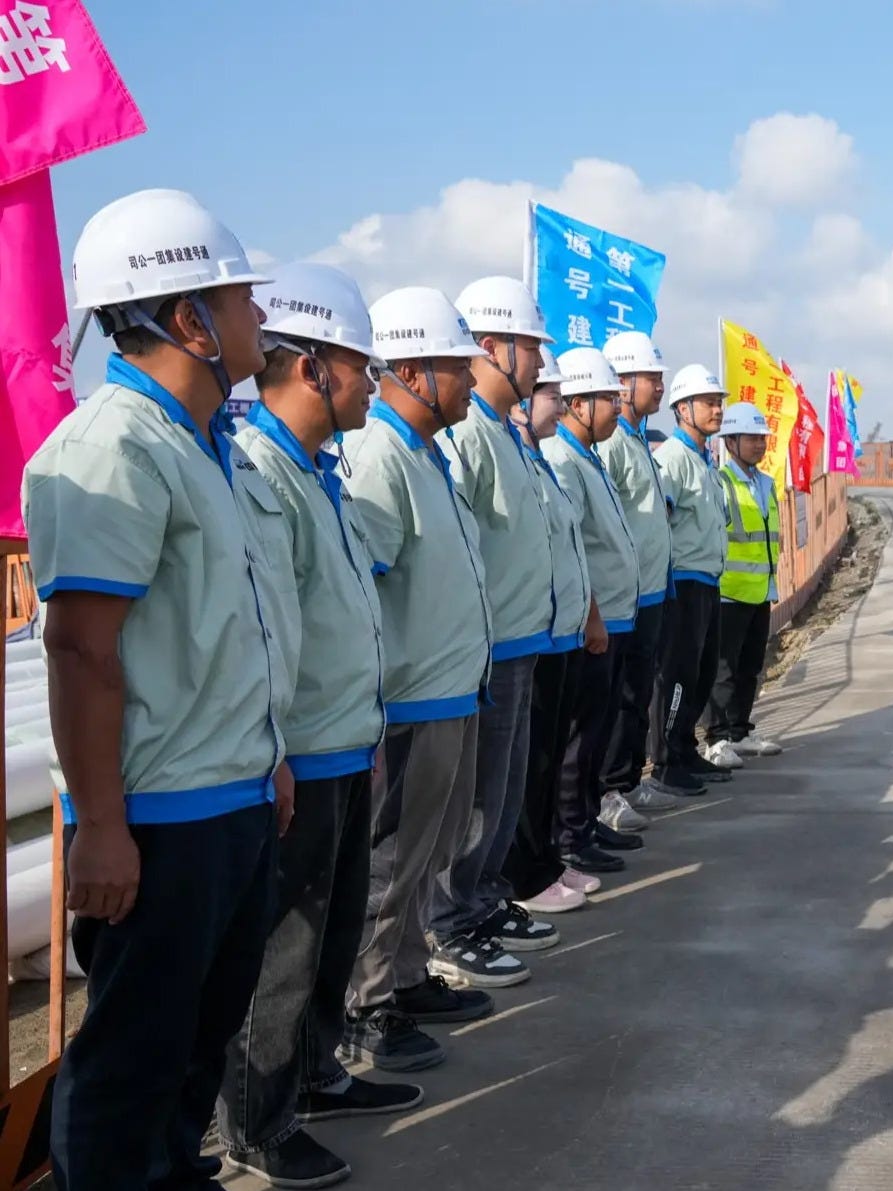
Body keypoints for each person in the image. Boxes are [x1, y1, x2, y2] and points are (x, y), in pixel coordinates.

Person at [26, 188, 287, 1191]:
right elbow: (81, 651)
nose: (257, 316)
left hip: (229, 799)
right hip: (159, 821)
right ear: (188, 320)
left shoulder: (202, 445)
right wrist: (100, 826)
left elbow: (219, 633)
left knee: (190, 1057)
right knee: (128, 1071)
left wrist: (264, 762)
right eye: (239, 299)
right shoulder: (113, 449)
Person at [219, 263, 420, 1188]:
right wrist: (281, 750)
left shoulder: (315, 469)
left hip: (342, 739)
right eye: (358, 364)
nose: (371, 383)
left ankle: (313, 1073)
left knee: (330, 932)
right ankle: (258, 1122)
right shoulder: (260, 468)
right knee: (283, 949)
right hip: (295, 750)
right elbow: (267, 628)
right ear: (309, 367)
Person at [339, 286, 497, 1066]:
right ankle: (366, 1007)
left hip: (451, 690)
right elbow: (360, 591)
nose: (471, 380)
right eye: (455, 367)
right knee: (392, 861)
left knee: (428, 850)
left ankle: (403, 976)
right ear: (410, 369)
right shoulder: (379, 458)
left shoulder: (428, 457)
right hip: (408, 703)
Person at [424, 276, 564, 991]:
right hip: (486, 651)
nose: (540, 364)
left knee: (503, 792)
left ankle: (480, 903)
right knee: (477, 801)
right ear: (490, 347)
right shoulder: (468, 436)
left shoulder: (504, 434)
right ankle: (454, 923)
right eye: (530, 348)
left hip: (518, 642)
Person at [504, 348, 610, 914]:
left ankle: (543, 861)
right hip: (531, 637)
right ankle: (526, 872)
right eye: (552, 395)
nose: (561, 404)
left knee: (543, 758)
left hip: (559, 629)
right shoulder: (521, 457)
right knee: (534, 763)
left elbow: (568, 549)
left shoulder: (540, 460)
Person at [540, 348, 645, 874]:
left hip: (618, 618)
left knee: (597, 734)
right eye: (608, 398)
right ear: (578, 403)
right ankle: (570, 835)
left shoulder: (589, 457)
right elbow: (572, 548)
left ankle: (585, 821)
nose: (615, 407)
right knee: (579, 739)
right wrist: (592, 615)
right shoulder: (563, 460)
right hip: (596, 625)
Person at [597, 331, 674, 830]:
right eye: (652, 377)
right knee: (617, 697)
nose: (660, 387)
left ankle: (626, 782)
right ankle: (607, 792)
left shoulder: (639, 441)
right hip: (620, 597)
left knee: (637, 691)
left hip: (648, 590)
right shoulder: (612, 447)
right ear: (623, 383)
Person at [651, 364, 732, 795]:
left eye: (719, 402)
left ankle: (685, 749)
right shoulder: (672, 459)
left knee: (699, 672)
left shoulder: (704, 461)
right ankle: (665, 760)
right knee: (677, 674)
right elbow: (661, 519)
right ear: (683, 409)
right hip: (682, 583)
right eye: (708, 402)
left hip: (707, 581)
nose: (717, 409)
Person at [703, 402, 786, 765]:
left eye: (762, 438)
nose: (759, 444)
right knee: (724, 669)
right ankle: (717, 739)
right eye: (751, 438)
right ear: (731, 441)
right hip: (728, 593)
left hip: (760, 591)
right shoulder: (722, 483)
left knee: (751, 666)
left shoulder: (766, 484)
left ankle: (740, 731)